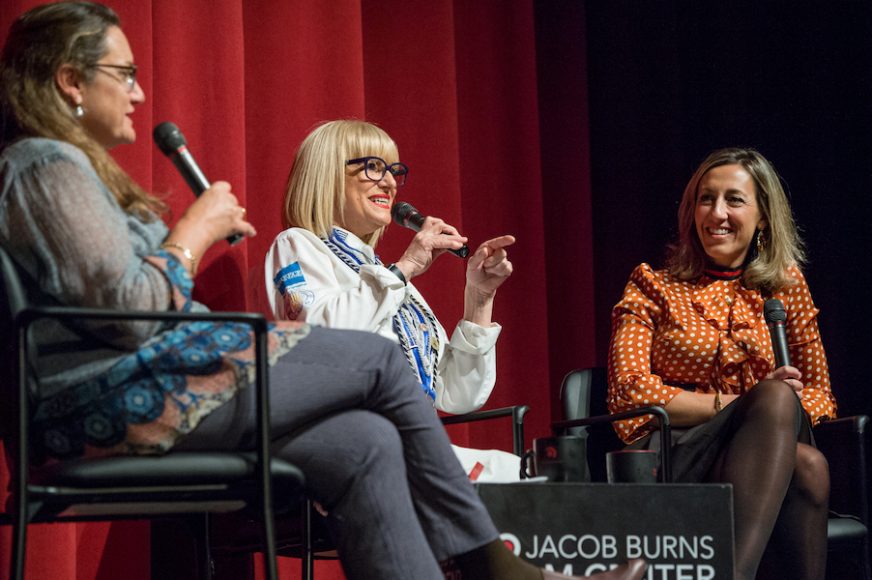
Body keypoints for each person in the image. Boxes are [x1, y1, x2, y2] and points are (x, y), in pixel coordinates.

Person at [0, 3, 647, 579]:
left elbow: (451, 394)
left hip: (153, 388)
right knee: (376, 363)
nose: (140, 94)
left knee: (364, 443)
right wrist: (192, 234)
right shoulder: (44, 164)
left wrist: (474, 297)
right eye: (125, 74)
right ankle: (502, 574)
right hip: (109, 404)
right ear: (70, 81)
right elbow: (132, 315)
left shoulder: (70, 169)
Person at [607, 147, 837, 580]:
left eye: (734, 199)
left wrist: (775, 409)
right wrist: (741, 404)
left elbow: (822, 394)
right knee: (789, 431)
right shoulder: (653, 286)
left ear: (763, 216)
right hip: (675, 454)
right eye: (705, 199)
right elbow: (630, 393)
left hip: (764, 457)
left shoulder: (786, 289)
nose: (717, 213)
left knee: (807, 460)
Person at [265, 119, 520, 482]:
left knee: (533, 474)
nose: (388, 182)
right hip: (354, 447)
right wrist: (406, 268)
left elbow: (457, 395)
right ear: (326, 175)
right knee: (524, 487)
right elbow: (316, 337)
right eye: (372, 167)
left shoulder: (389, 278)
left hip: (412, 447)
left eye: (393, 171)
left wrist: (479, 297)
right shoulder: (297, 245)